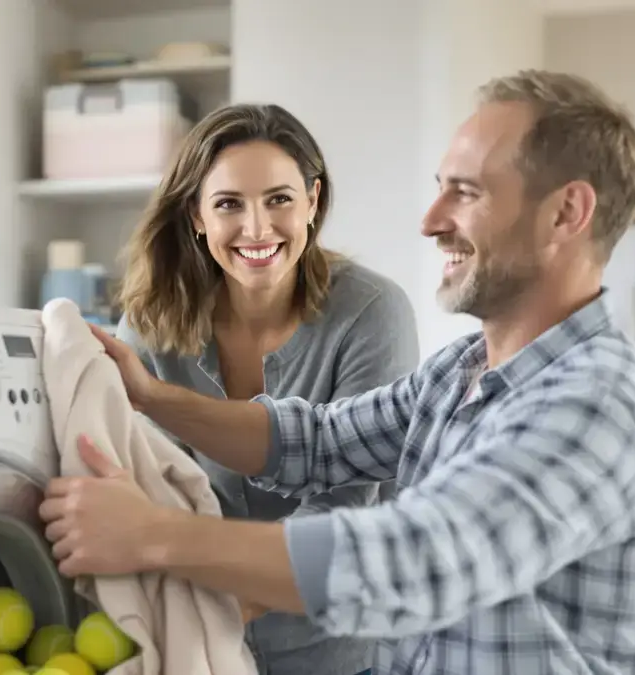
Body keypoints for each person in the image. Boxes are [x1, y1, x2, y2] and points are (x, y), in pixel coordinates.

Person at [40, 69, 635, 675]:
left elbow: (412, 558)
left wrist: (152, 537)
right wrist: (154, 398)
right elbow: (317, 443)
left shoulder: (594, 401)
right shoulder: (462, 373)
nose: (431, 222)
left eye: (467, 192)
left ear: (567, 214)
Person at [111, 102, 420, 675]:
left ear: (313, 202)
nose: (257, 229)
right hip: (189, 643)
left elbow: (344, 503)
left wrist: (220, 596)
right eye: (229, 204)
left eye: (279, 199)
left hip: (334, 649)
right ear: (197, 216)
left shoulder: (372, 312)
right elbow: (149, 482)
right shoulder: (150, 324)